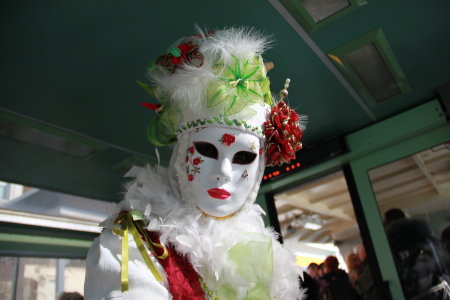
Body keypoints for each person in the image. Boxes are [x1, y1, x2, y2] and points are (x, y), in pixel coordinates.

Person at [84, 27, 306, 299]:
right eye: (207, 150)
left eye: (244, 157)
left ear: (259, 166)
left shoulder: (266, 250)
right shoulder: (127, 249)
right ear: (182, 152)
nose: (224, 173)